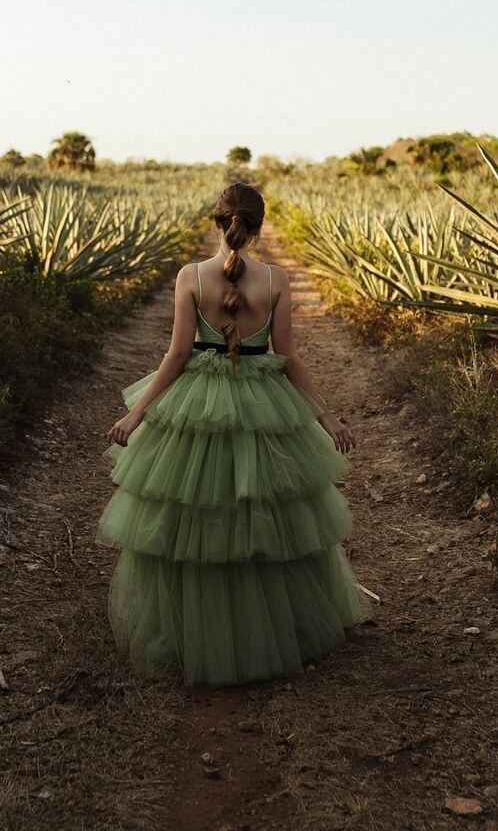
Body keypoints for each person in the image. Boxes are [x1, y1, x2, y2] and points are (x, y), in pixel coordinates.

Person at [95, 181, 373, 686]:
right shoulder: (276, 279)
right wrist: (325, 416)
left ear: (218, 222)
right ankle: (273, 628)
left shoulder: (190, 276)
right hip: (260, 400)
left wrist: (138, 415)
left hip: (198, 402)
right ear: (259, 226)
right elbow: (286, 358)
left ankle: (191, 632)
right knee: (265, 517)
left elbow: (178, 355)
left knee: (194, 518)